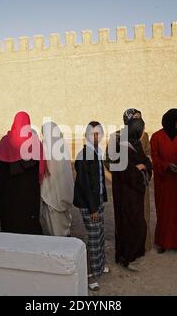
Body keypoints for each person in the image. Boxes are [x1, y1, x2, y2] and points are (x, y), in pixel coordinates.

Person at [106, 108, 153, 251]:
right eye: (135, 118)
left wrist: (145, 169)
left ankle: (143, 246)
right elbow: (109, 161)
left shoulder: (143, 136)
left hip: (140, 183)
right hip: (124, 184)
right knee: (125, 216)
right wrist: (124, 174)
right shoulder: (117, 137)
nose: (138, 121)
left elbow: (147, 155)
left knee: (142, 214)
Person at [0, 111, 47, 235]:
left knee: (10, 218)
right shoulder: (34, 142)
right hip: (28, 196)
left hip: (8, 196)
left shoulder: (4, 142)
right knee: (28, 220)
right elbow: (41, 167)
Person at [150, 109, 177, 253]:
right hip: (165, 182)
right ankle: (164, 242)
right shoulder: (156, 137)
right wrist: (167, 166)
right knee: (165, 212)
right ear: (172, 121)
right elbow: (154, 157)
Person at [74, 121, 109, 291]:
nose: (96, 137)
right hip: (90, 205)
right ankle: (90, 275)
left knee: (100, 235)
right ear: (86, 135)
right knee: (93, 240)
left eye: (98, 133)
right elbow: (84, 184)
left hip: (98, 200)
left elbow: (99, 180)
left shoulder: (96, 152)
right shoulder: (84, 155)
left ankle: (100, 266)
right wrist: (93, 208)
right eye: (92, 134)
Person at [40, 121, 73, 236]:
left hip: (50, 193)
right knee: (62, 221)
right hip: (63, 192)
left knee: (53, 225)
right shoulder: (62, 146)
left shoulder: (44, 147)